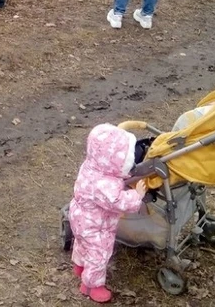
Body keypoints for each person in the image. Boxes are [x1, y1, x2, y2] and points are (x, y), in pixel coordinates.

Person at [69, 124, 148, 304]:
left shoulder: (91, 167)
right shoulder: (105, 185)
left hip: (80, 217)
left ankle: (80, 266)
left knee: (82, 244)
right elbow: (117, 202)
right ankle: (90, 286)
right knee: (99, 254)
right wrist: (137, 195)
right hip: (97, 225)